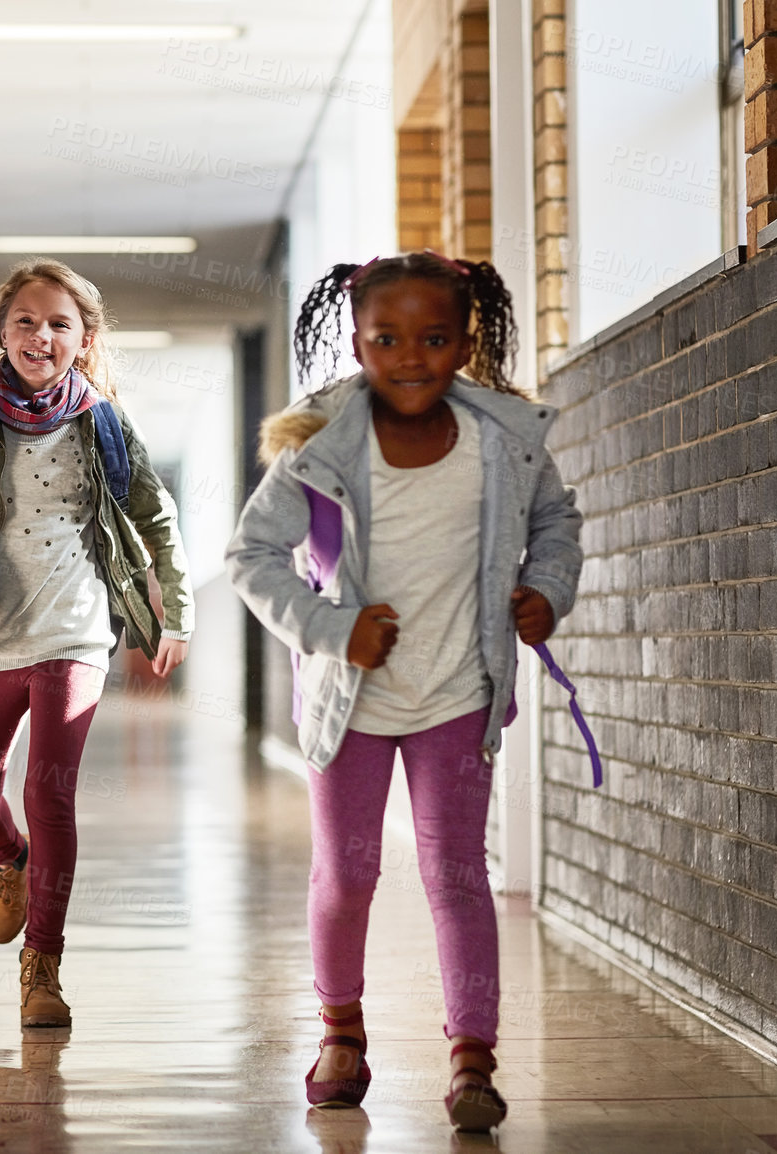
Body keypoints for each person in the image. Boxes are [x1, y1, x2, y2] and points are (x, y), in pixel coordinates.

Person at [226, 252, 584, 1130]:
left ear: (467, 341)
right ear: (358, 342)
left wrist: (548, 591)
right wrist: (330, 629)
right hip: (349, 701)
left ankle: (472, 1060)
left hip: (459, 694)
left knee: (458, 876)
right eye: (388, 339)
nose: (412, 357)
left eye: (434, 338)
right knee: (346, 877)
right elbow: (251, 558)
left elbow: (556, 524)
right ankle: (340, 1034)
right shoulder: (321, 446)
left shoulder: (506, 440)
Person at [0, 259, 192, 1028]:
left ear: (83, 340)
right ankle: (7, 860)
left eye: (60, 323)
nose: (41, 335)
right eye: (26, 320)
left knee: (49, 795)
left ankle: (42, 968)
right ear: (1, 332)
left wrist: (175, 614)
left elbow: (157, 518)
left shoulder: (105, 426)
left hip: (76, 634)